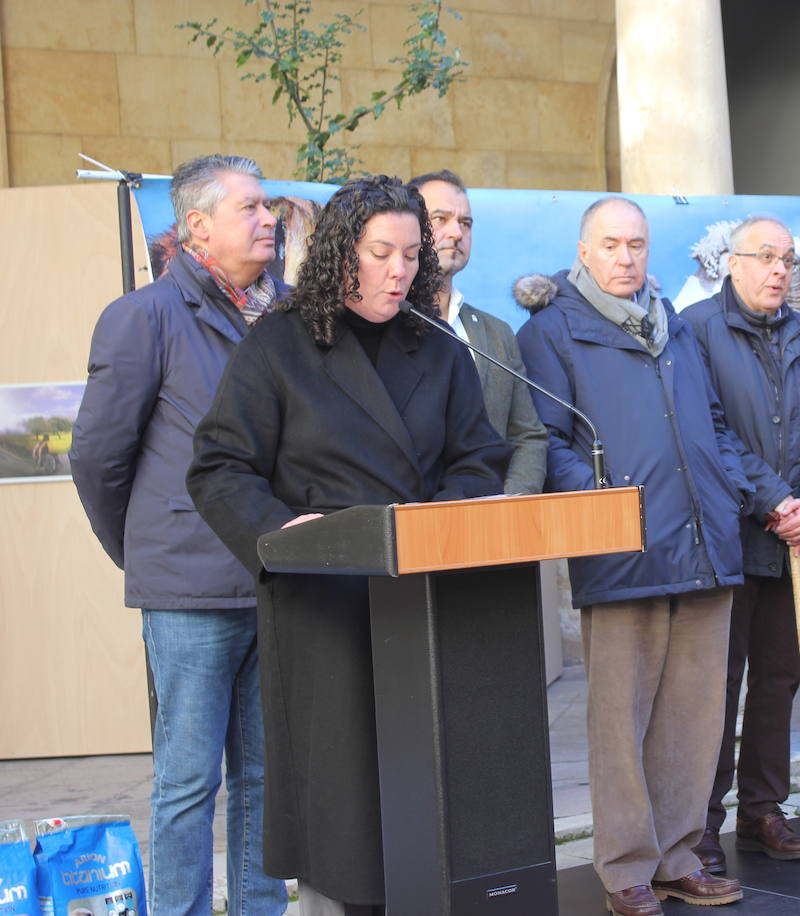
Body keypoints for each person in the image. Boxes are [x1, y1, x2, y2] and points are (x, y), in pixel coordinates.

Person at [186, 175, 511, 912]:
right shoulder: (279, 344)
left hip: (425, 603)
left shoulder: (440, 348)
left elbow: (477, 457)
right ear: (342, 254)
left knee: (425, 806)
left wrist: (436, 524)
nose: (398, 270)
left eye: (410, 254)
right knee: (346, 816)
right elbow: (219, 465)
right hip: (326, 607)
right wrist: (278, 531)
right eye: (380, 252)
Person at [515, 197, 749, 916]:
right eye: (611, 245)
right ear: (583, 251)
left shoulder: (671, 321)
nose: (626, 258)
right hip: (623, 552)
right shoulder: (550, 331)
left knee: (695, 715)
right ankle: (624, 870)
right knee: (621, 721)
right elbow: (547, 440)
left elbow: (709, 419)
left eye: (637, 245)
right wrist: (608, 505)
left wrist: (729, 487)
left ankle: (679, 856)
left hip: (705, 541)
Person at [69, 154, 288, 916]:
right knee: (188, 781)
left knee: (265, 779)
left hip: (276, 580)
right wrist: (144, 554)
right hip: (188, 591)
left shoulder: (286, 316)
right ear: (197, 225)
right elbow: (98, 458)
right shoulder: (145, 317)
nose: (270, 220)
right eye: (251, 208)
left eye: (270, 208)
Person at [679, 216, 800, 872]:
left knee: (780, 679)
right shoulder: (698, 331)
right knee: (717, 685)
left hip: (796, 542)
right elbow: (711, 433)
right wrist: (775, 499)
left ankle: (763, 812)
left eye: (787, 260)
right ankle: (701, 824)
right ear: (732, 264)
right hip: (729, 540)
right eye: (766, 258)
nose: (779, 270)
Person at [409, 169, 547, 494]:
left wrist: (511, 504)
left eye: (466, 223)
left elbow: (528, 435)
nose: (456, 232)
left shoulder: (497, 334)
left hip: (494, 529)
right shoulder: (383, 327)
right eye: (439, 219)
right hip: (412, 526)